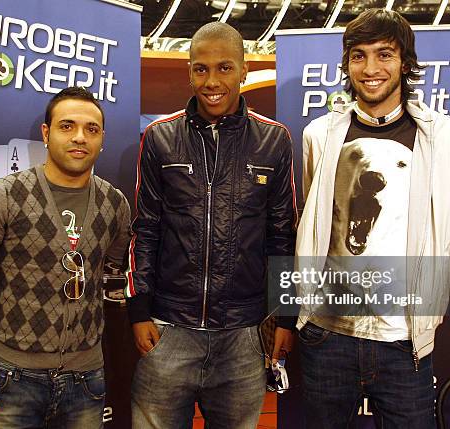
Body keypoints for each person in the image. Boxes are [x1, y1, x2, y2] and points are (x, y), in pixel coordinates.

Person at [295, 9, 450, 428]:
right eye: (358, 56)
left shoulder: (445, 140)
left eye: (385, 55)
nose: (371, 68)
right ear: (346, 65)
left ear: (406, 63)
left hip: (405, 343)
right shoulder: (319, 136)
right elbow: (314, 225)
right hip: (326, 335)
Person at [126, 22, 297, 429]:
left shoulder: (275, 141)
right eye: (200, 69)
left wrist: (286, 316)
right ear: (189, 73)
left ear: (243, 71)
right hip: (168, 329)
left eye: (224, 68)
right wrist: (138, 310)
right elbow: (145, 228)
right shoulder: (159, 137)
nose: (212, 81)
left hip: (244, 334)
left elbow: (282, 236)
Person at [0, 86, 131, 428]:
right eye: (67, 126)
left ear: (102, 139)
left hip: (86, 380)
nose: (79, 137)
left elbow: (119, 266)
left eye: (91, 129)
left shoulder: (115, 204)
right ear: (46, 133)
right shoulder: (3, 196)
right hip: (9, 379)